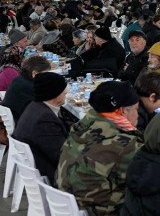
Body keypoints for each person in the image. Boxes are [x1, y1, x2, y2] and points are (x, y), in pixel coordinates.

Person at [57, 81, 143, 216]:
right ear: (123, 111)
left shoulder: (80, 129)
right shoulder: (123, 145)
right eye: (136, 109)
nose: (137, 115)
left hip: (69, 207)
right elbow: (151, 180)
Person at [12, 72, 69, 184]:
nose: (66, 92)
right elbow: (62, 156)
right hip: (54, 175)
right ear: (54, 93)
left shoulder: (35, 106)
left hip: (40, 163)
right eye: (63, 90)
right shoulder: (44, 119)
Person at [0, 55, 53, 121]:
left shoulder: (19, 79)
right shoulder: (30, 87)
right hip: (22, 123)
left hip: (15, 118)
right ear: (35, 73)